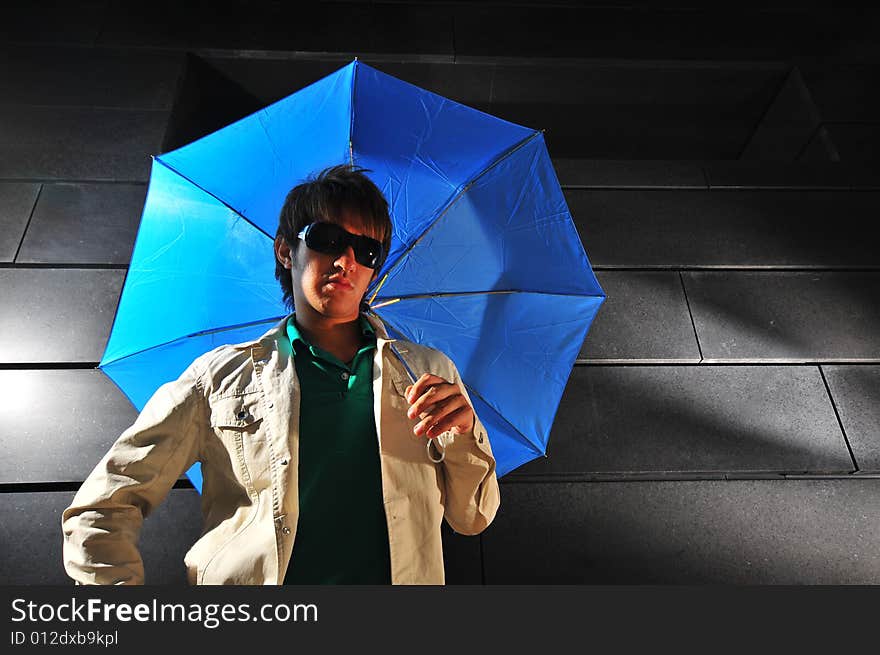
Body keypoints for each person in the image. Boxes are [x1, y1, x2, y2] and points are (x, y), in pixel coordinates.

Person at [61, 164, 500, 585]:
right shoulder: (217, 378)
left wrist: (462, 435)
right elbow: (105, 504)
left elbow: (472, 517)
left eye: (366, 251)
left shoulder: (428, 371)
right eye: (328, 238)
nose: (346, 260)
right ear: (286, 250)